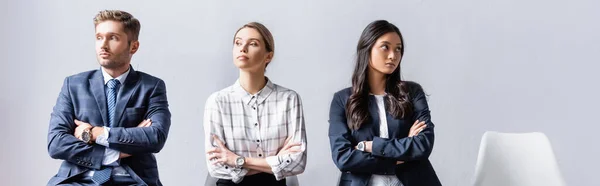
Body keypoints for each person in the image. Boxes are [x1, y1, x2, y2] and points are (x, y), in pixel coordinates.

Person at [47, 10, 171, 186]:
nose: (103, 45)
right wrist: (116, 153)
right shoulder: (73, 85)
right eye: (99, 37)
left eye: (113, 38)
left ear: (133, 46)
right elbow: (56, 143)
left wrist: (96, 133)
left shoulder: (151, 87)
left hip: (132, 180)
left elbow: (155, 137)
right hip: (77, 180)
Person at [328, 20, 442, 186]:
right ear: (367, 49)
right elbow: (343, 157)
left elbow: (422, 145)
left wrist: (369, 146)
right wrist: (397, 158)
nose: (393, 55)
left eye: (398, 49)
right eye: (385, 47)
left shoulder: (412, 92)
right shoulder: (342, 100)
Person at [203, 22, 307, 186]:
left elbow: (297, 162)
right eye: (238, 43)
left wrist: (237, 160)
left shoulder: (289, 99)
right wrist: (275, 163)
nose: (242, 48)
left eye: (253, 44)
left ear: (268, 56)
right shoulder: (217, 101)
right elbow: (216, 167)